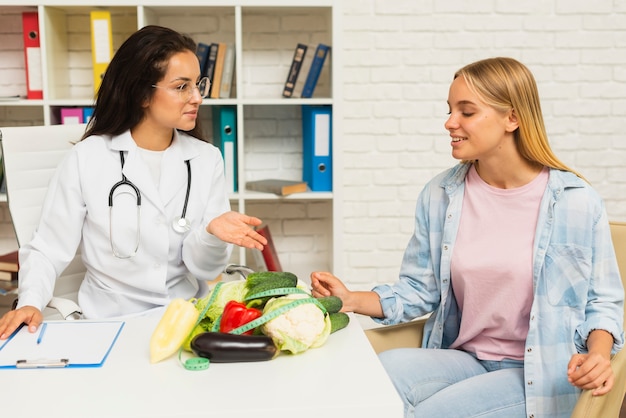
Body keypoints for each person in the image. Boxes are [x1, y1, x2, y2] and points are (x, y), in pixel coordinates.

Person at [311, 57, 624, 417]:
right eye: (450, 110)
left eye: (467, 112)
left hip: (541, 373)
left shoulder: (576, 201)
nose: (449, 122)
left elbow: (603, 302)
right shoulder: (441, 193)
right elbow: (420, 289)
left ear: (513, 118)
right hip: (466, 358)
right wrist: (350, 299)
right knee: (370, 380)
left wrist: (599, 356)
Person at [0, 25, 267, 339]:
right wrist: (31, 301)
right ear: (143, 94)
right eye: (182, 86)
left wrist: (211, 234)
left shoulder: (207, 160)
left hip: (182, 321)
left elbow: (205, 270)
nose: (197, 97)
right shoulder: (88, 158)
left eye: (198, 84)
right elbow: (48, 247)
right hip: (108, 323)